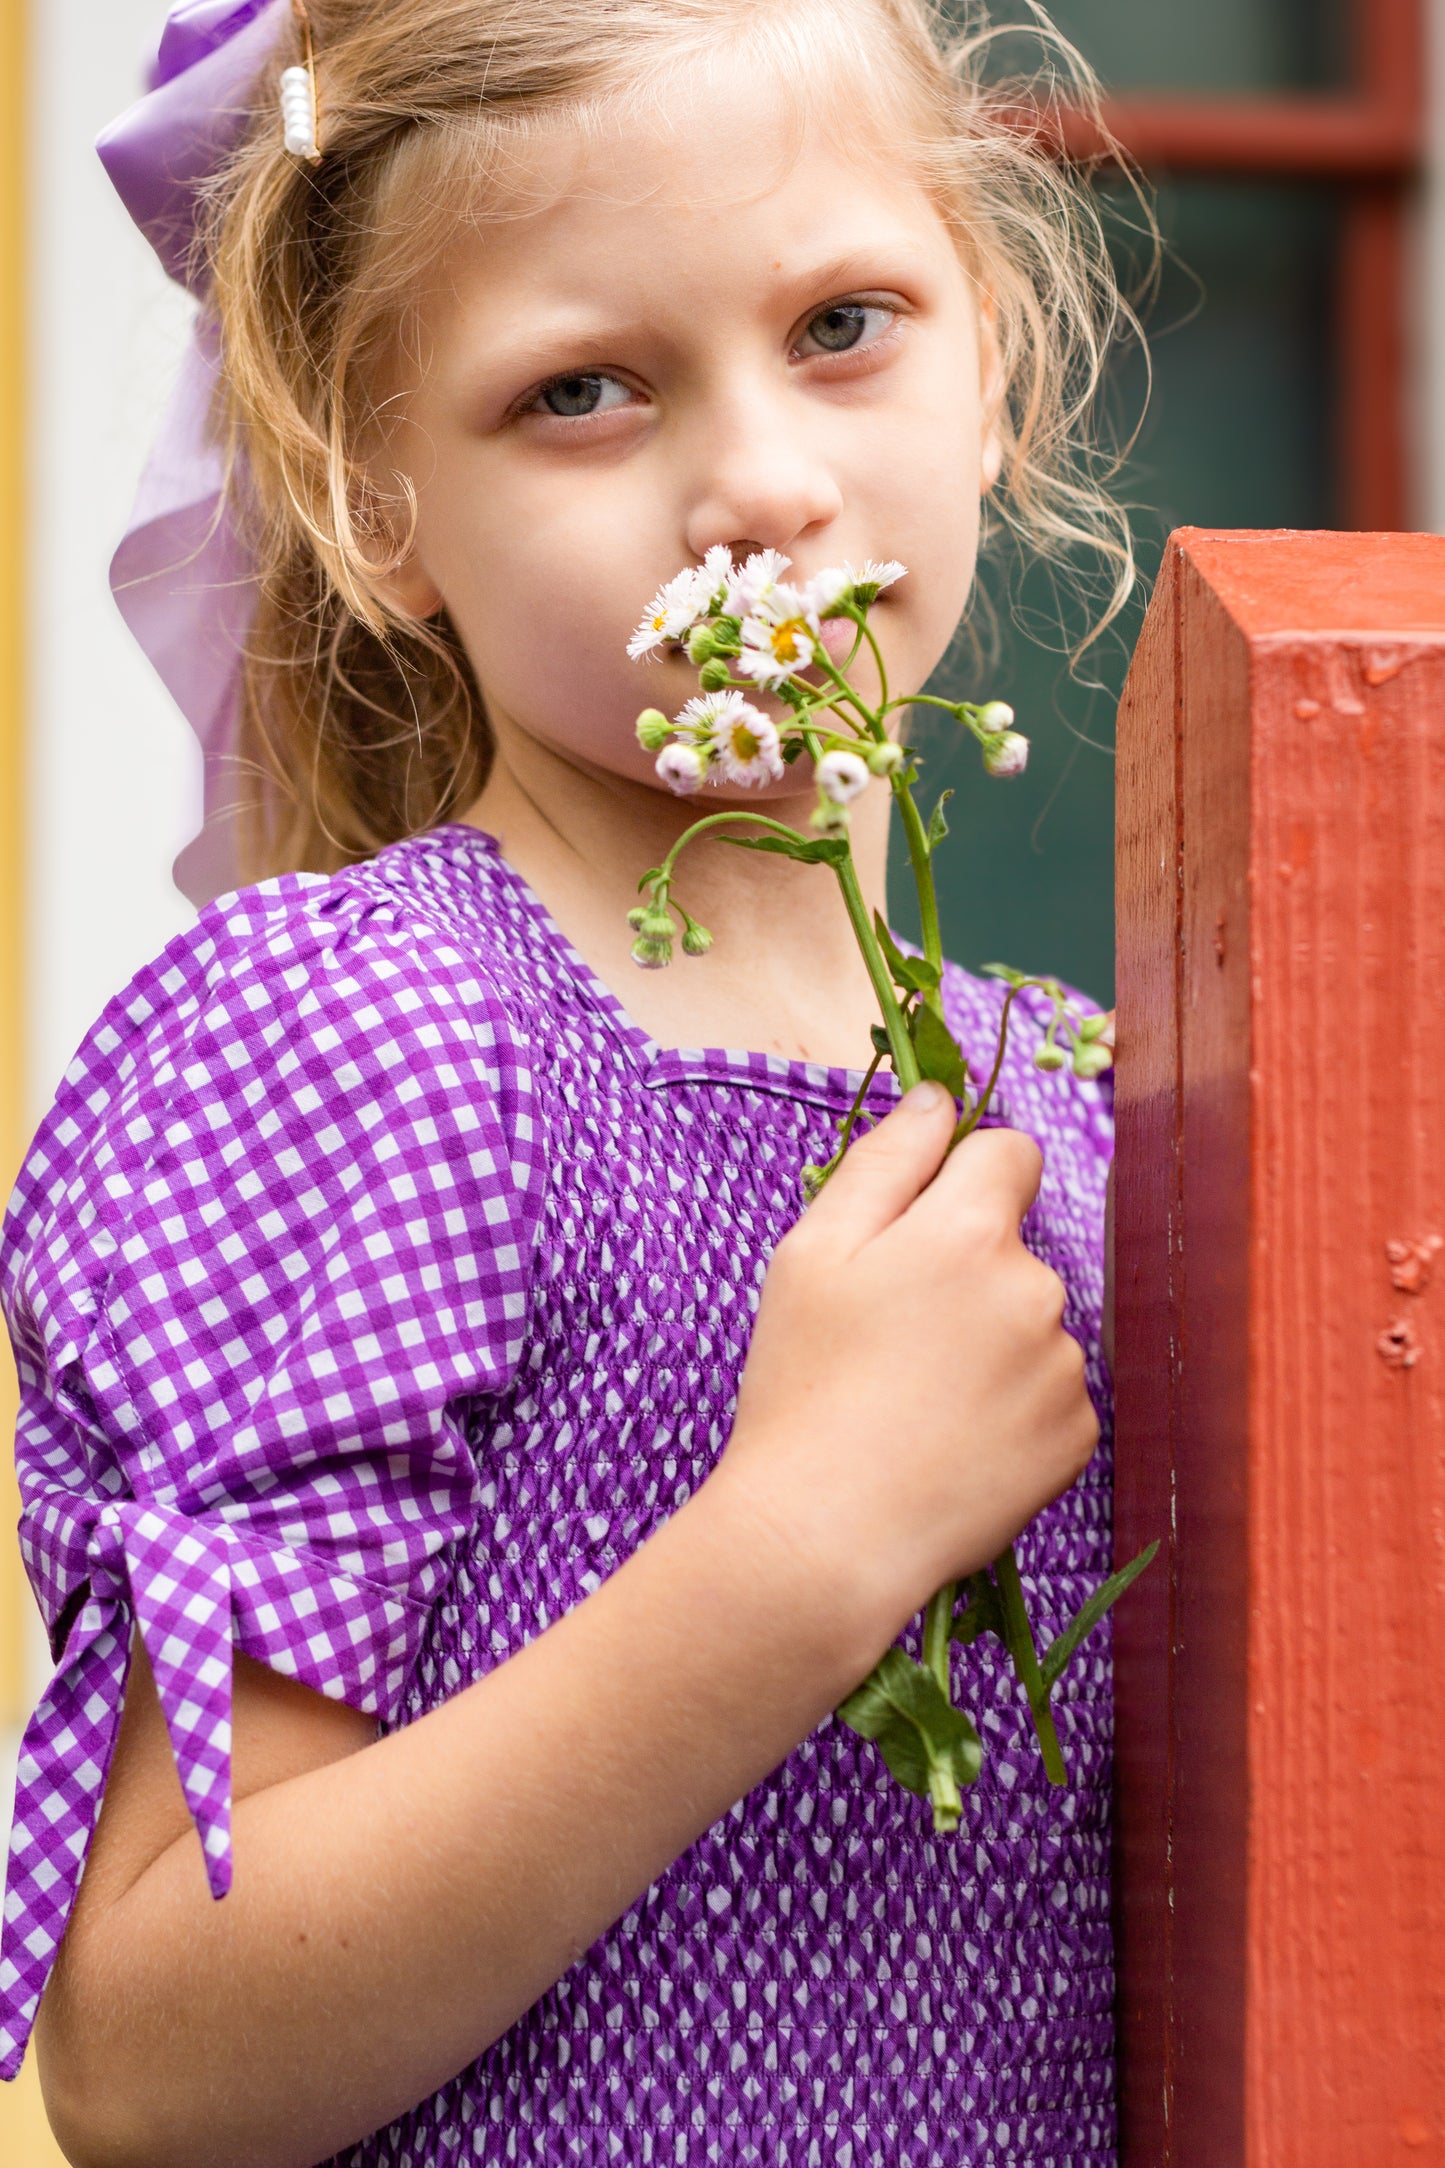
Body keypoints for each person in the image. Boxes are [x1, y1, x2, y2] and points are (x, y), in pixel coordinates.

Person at [0, 2, 1136, 2160]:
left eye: (844, 323)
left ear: (994, 357)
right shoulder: (373, 1043)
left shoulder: (1092, 1107)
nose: (763, 487)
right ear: (375, 500)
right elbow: (151, 2064)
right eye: (581, 391)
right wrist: (799, 1546)